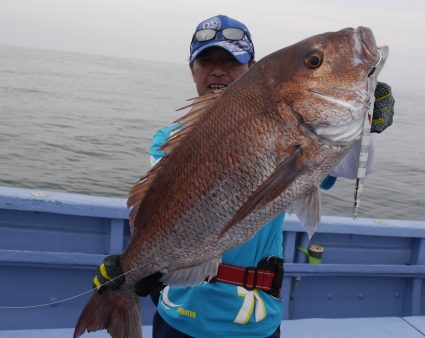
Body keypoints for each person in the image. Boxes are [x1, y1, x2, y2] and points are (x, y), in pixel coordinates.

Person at [94, 15, 395, 338]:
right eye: (206, 61)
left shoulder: (309, 136)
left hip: (254, 321)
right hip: (180, 314)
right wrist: (128, 269)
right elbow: (162, 211)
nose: (219, 70)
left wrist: (367, 126)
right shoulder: (167, 140)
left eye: (231, 61)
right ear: (191, 68)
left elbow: (350, 167)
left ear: (251, 66)